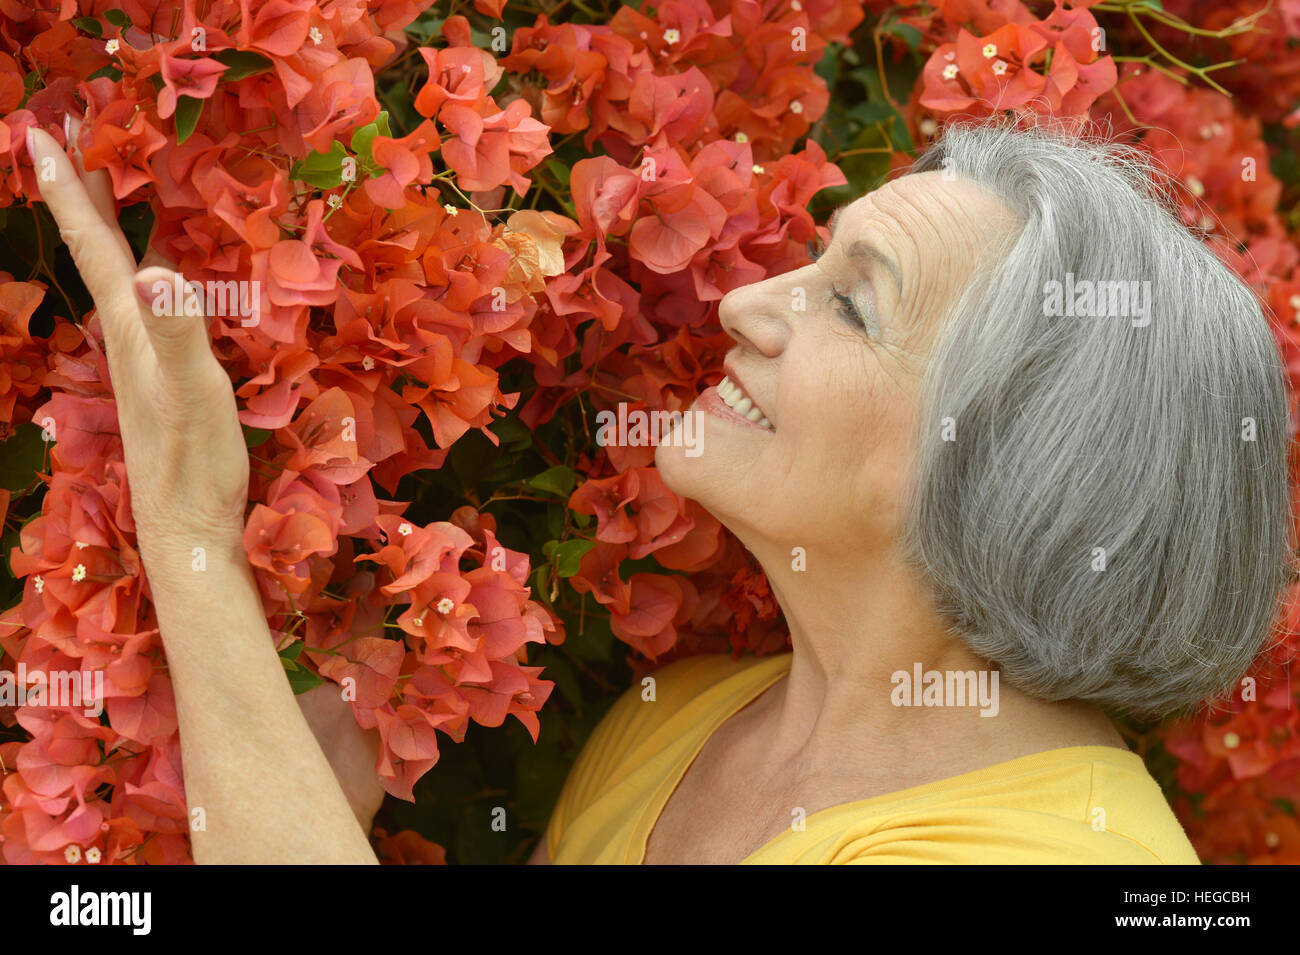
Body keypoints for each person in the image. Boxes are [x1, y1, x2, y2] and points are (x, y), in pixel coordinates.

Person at [25, 118, 1291, 865]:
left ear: (1010, 455)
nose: (742, 301)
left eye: (846, 300)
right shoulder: (676, 718)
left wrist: (190, 527)